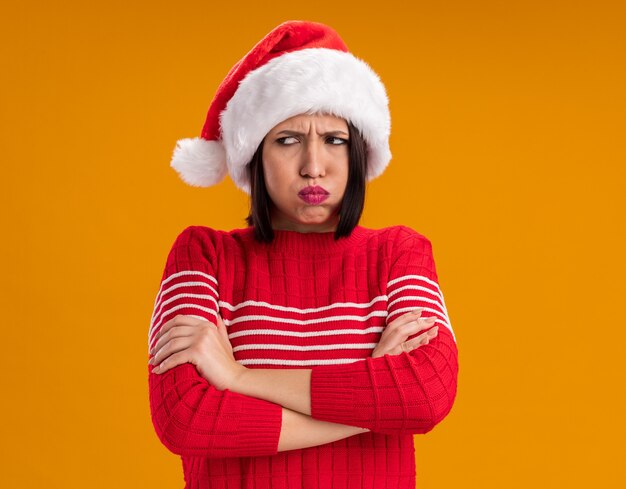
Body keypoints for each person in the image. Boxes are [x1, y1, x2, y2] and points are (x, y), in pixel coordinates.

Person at [147, 20, 458, 489]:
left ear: (358, 152)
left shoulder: (398, 254)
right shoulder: (204, 256)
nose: (314, 166)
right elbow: (185, 418)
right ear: (255, 154)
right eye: (287, 140)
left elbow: (425, 395)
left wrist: (236, 377)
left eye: (334, 140)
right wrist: (370, 402)